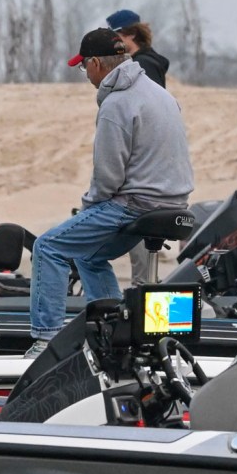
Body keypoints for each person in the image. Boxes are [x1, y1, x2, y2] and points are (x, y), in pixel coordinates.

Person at [25, 28, 193, 358]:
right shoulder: (159, 93)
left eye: (83, 67)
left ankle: (45, 342)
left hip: (137, 203)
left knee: (48, 247)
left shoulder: (117, 103)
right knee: (89, 255)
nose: (85, 74)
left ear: (97, 64)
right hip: (174, 202)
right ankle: (114, 330)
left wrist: (87, 208)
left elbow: (108, 178)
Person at [107, 9, 172, 285]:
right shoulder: (145, 64)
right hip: (148, 165)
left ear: (130, 35)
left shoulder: (144, 67)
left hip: (145, 167)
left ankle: (142, 294)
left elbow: (147, 114)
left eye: (117, 36)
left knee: (140, 242)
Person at [106, 9, 169, 88]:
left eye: (114, 35)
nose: (112, 40)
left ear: (132, 33)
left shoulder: (143, 64)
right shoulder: (138, 62)